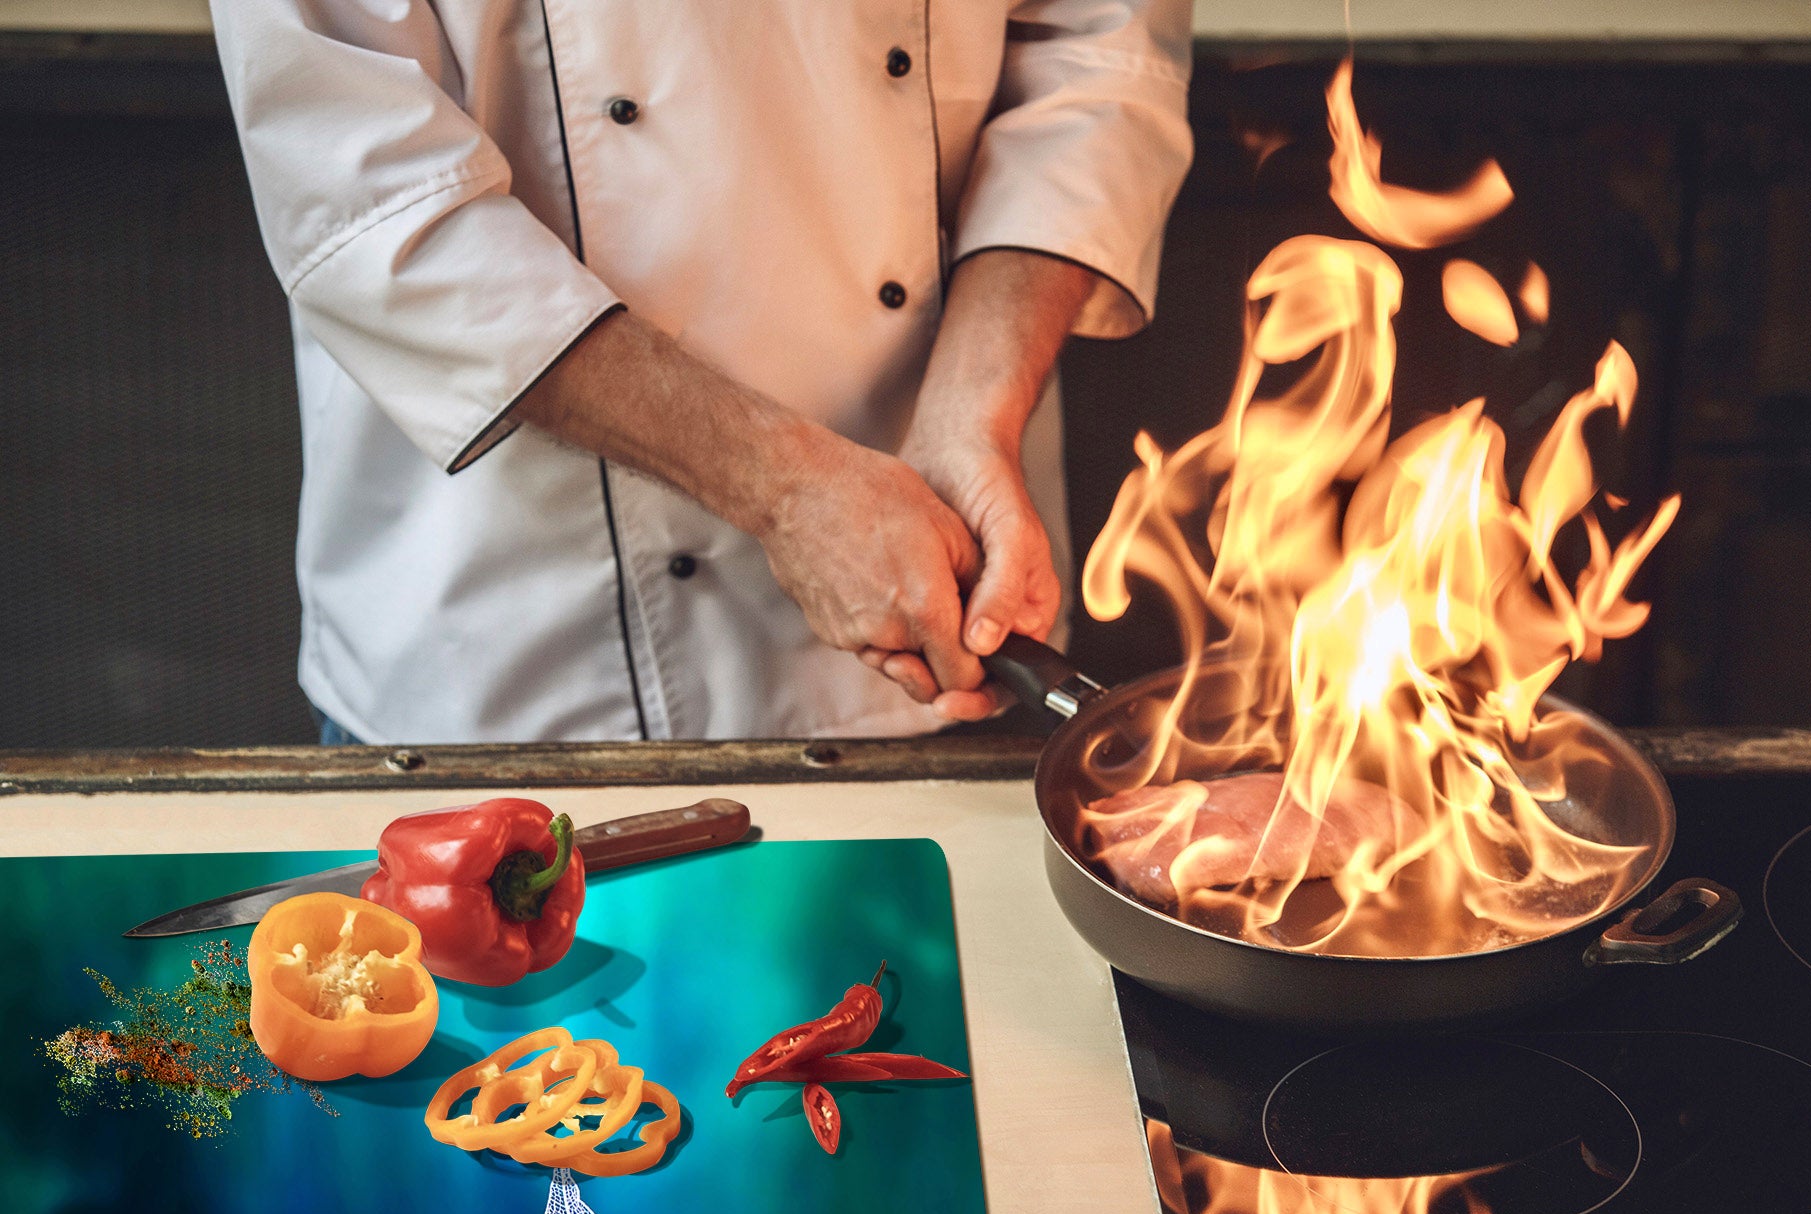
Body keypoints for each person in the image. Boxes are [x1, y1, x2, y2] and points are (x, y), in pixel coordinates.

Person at [210, 1, 1193, 743]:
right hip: (523, 648)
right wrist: (785, 491)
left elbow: (1097, 60)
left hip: (950, 578)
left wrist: (973, 415)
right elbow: (371, 196)